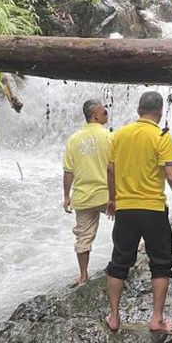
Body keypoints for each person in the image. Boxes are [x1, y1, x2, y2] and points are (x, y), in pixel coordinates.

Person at [104, 91, 172, 334]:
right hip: (153, 209)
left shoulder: (120, 135)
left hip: (125, 209)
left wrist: (113, 199)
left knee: (118, 263)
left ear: (138, 110)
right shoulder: (161, 136)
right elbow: (171, 176)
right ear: (159, 112)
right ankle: (156, 319)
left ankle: (114, 316)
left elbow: (110, 170)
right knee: (160, 264)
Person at [62, 99, 112, 286]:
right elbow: (114, 168)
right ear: (96, 115)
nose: (106, 113)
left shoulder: (74, 139)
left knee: (83, 236)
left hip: (82, 196)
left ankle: (83, 276)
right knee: (126, 220)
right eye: (104, 112)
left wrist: (67, 196)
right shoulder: (109, 137)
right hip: (106, 195)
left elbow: (68, 171)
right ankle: (135, 252)